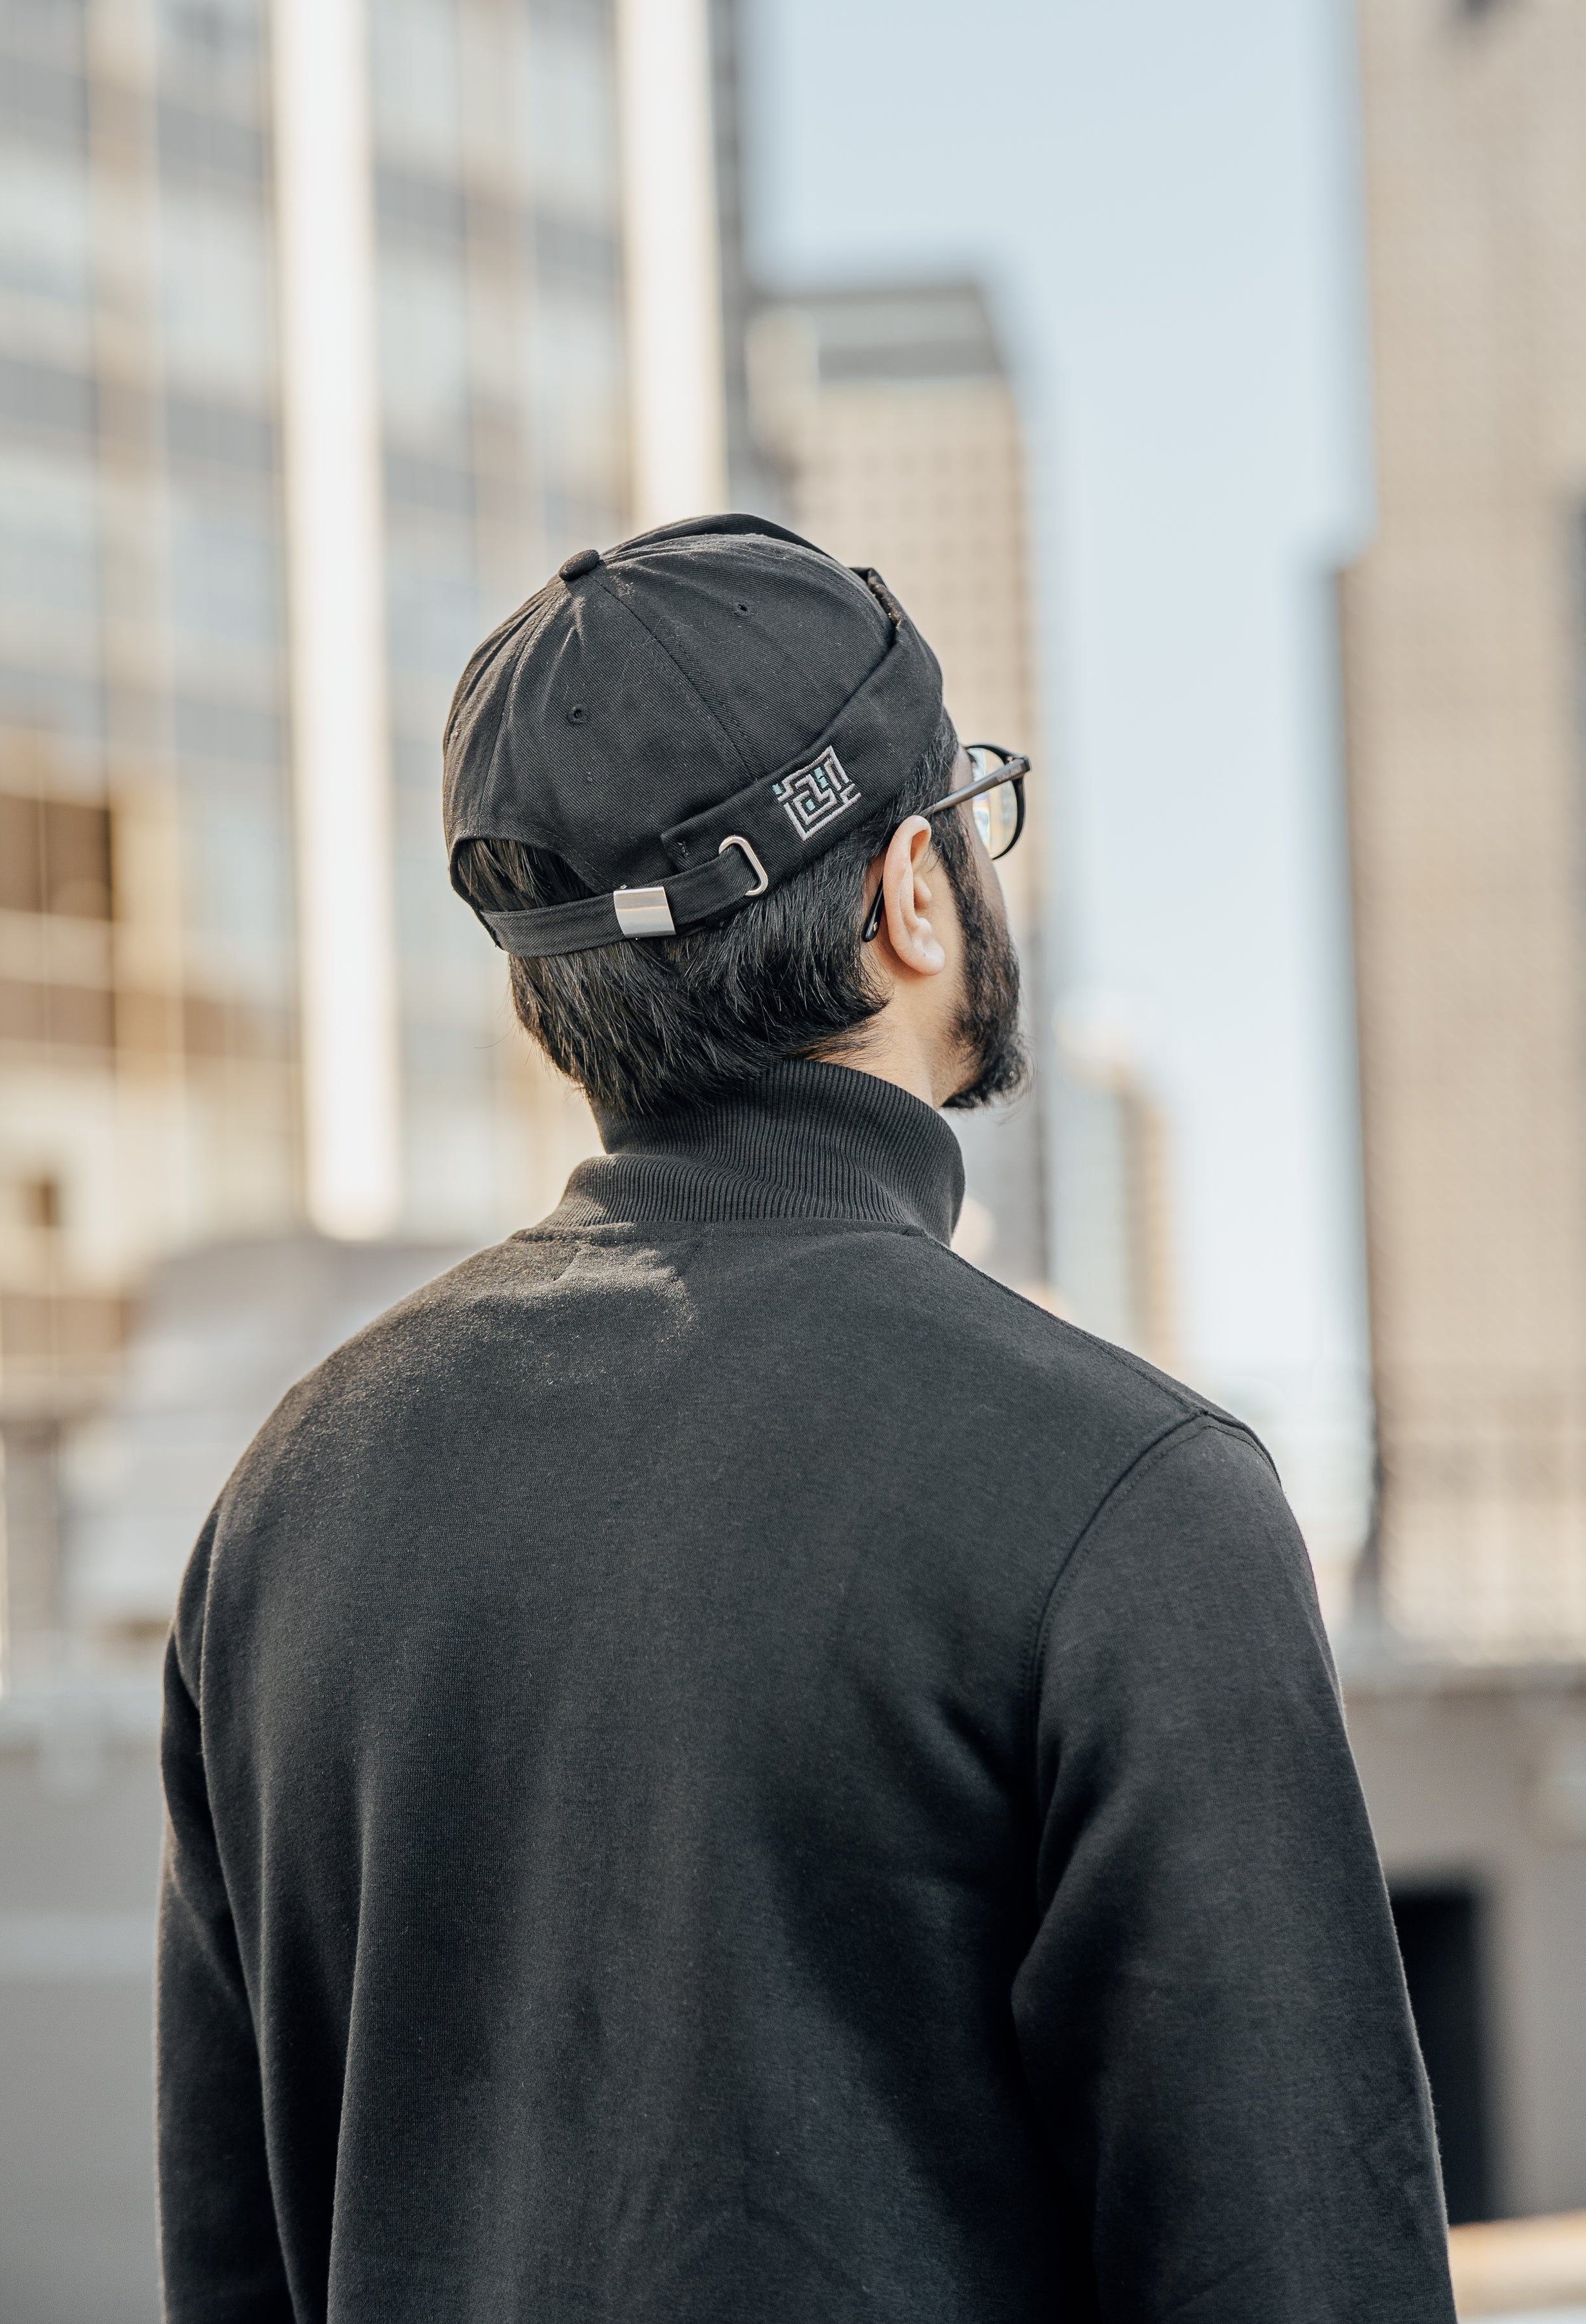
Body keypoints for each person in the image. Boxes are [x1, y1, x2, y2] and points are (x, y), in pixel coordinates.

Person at [158, 516, 1455, 2323]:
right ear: (911, 888)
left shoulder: (286, 1504)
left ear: (550, 995)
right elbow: (1302, 2268)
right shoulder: (1127, 1498)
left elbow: (233, 2266)